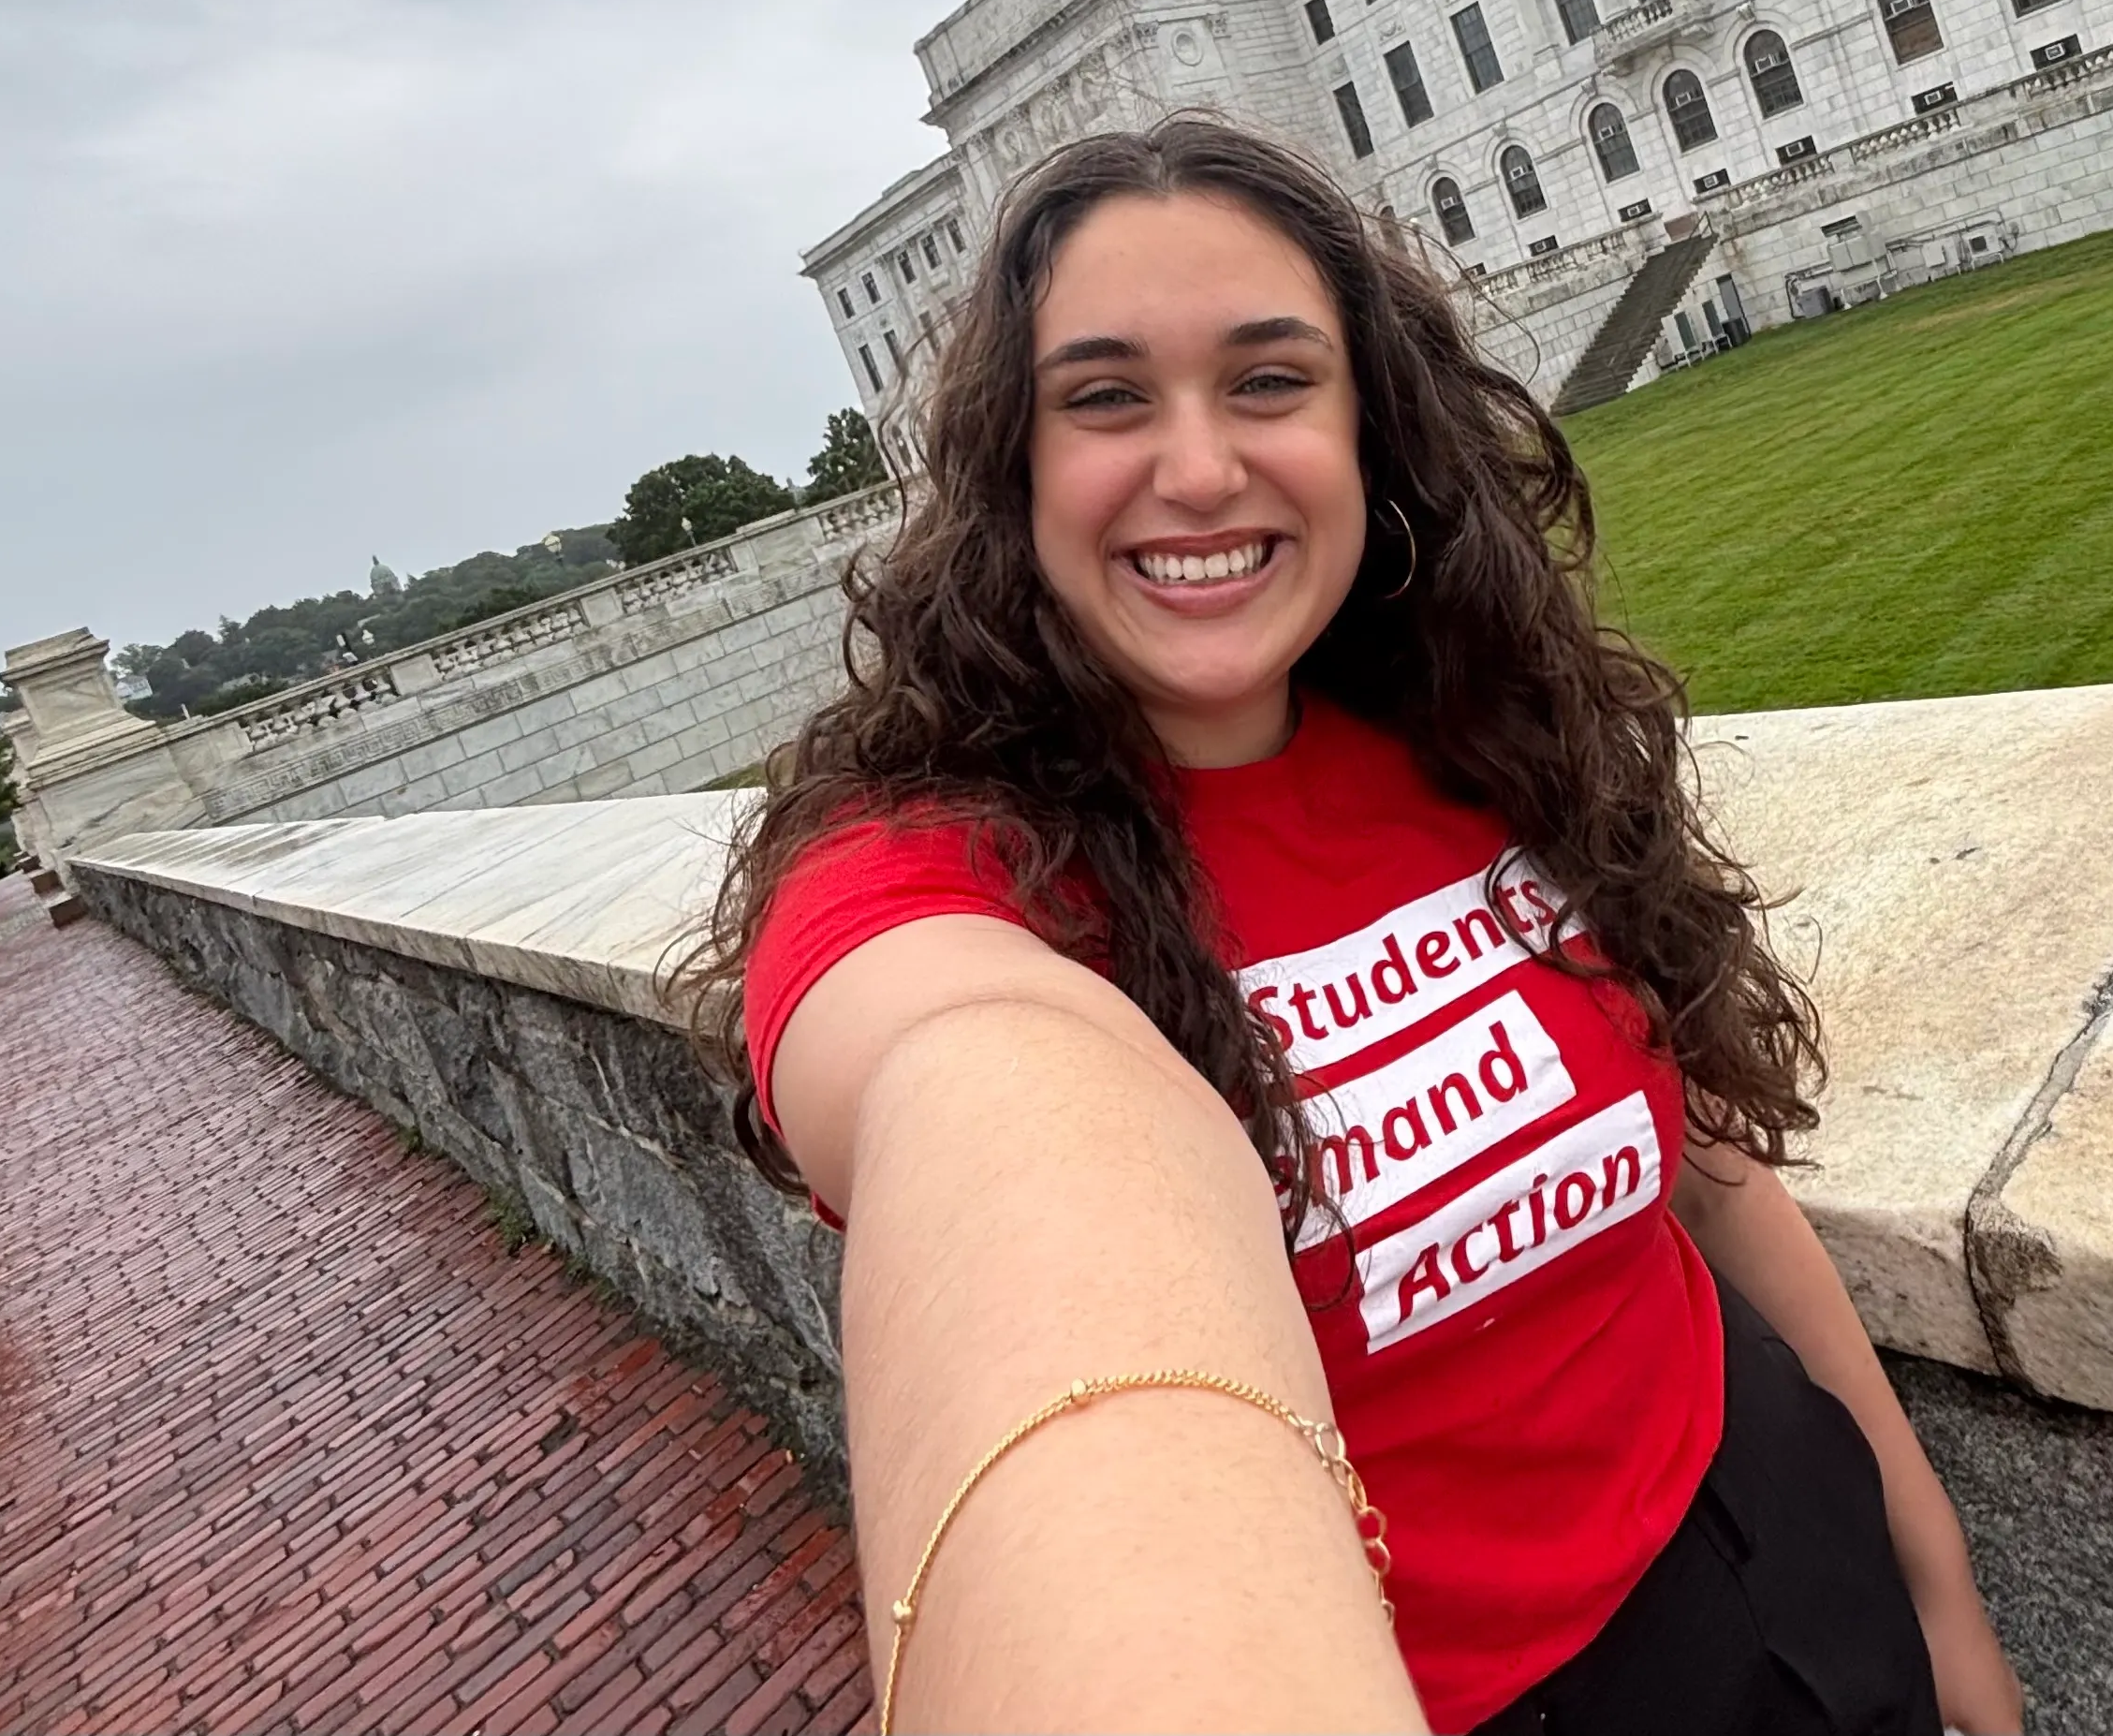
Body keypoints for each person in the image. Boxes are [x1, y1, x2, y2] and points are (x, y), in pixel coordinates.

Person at [682, 116, 2020, 1734]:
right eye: (1105, 397)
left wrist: (1927, 1557)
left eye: (1267, 380)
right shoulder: (943, 883)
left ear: (1368, 432)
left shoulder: (1472, 738)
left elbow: (1707, 1166)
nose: (1196, 468)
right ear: (1010, 471)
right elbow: (965, 1089)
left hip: (1772, 1538)